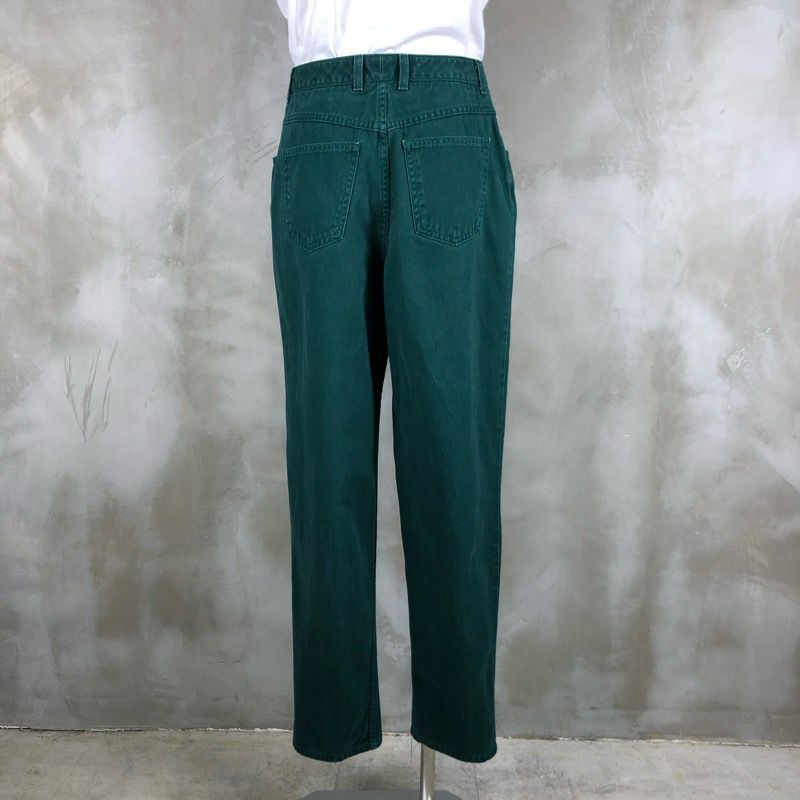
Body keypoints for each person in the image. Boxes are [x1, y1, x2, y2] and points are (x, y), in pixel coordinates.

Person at [270, 0, 517, 765]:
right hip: (441, 122)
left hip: (328, 123)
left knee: (337, 451)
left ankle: (353, 728)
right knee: (445, 450)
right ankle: (430, 725)